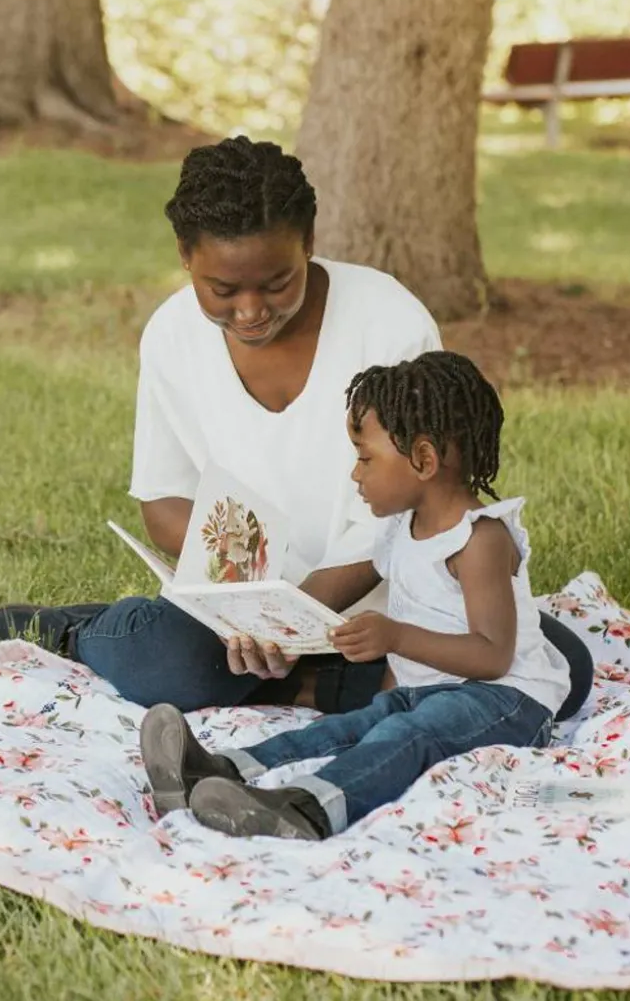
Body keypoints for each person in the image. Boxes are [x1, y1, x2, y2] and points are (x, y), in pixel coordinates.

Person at [0, 136, 594, 716]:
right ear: (186, 257)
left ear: (310, 241)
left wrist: (296, 623)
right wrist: (252, 610)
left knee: (565, 668)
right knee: (170, 664)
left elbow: (408, 512)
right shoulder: (172, 335)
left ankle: (294, 682)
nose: (251, 310)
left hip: (385, 605)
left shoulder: (389, 322)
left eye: (277, 282)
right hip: (237, 609)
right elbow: (163, 500)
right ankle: (79, 630)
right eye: (223, 289)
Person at [140, 352, 568, 840]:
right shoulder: (396, 532)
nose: (355, 475)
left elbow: (493, 655)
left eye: (365, 458)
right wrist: (382, 697)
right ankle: (218, 771)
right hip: (426, 695)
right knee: (348, 728)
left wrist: (395, 638)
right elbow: (364, 611)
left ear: (424, 460)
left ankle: (306, 810)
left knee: (407, 735)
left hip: (508, 702)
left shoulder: (479, 540)